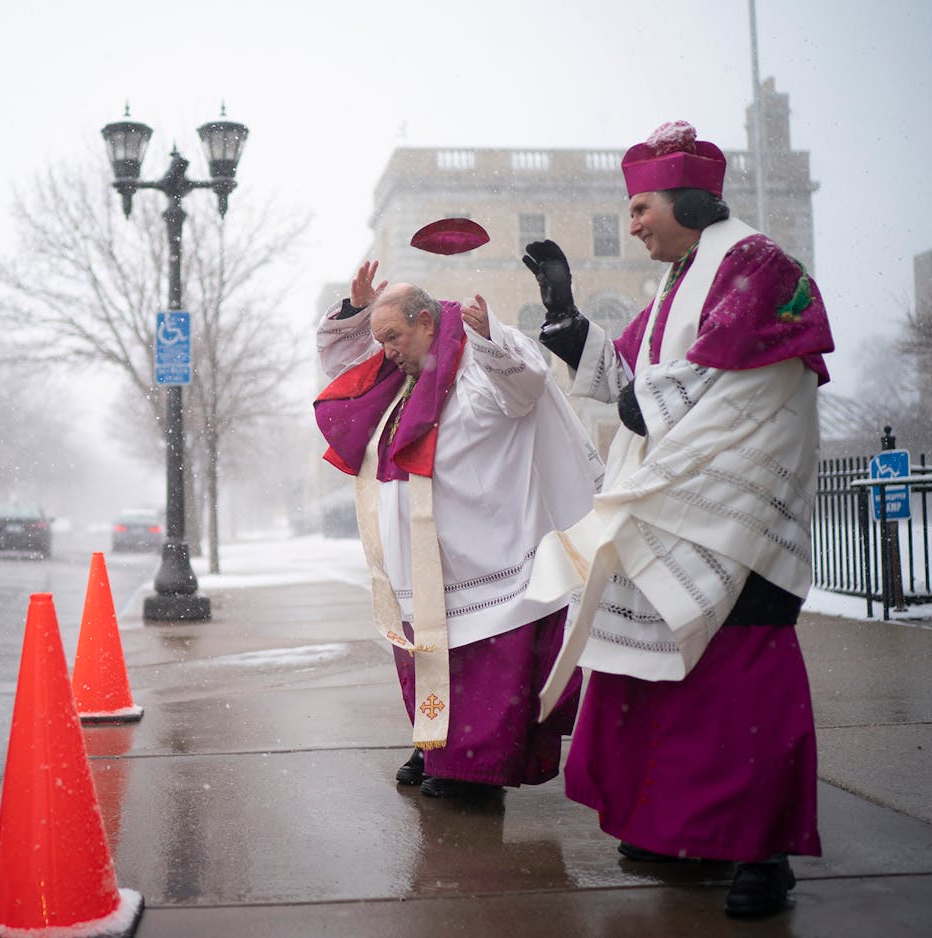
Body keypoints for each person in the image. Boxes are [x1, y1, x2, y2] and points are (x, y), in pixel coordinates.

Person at [521, 120, 834, 918]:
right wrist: (563, 315)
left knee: (744, 677)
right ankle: (682, 829)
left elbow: (713, 378)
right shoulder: (681, 279)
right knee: (665, 666)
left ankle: (764, 852)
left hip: (736, 496)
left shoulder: (755, 261)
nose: (631, 225)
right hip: (679, 487)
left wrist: (642, 402)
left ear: (691, 199)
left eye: (640, 206)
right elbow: (636, 374)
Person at [314, 261, 602, 799]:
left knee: (486, 668)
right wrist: (357, 312)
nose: (387, 350)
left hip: (488, 548)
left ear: (426, 321)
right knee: (430, 659)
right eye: (381, 340)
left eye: (393, 336)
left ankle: (475, 775)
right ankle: (435, 745)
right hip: (424, 560)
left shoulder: (479, 345)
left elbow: (526, 387)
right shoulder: (404, 369)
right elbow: (342, 367)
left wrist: (492, 336)